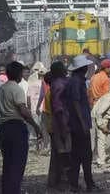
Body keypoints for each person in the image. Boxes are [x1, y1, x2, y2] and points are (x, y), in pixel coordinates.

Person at [0, 61, 43, 194]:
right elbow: (23, 110)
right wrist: (35, 126)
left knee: (8, 164)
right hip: (16, 128)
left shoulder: (2, 89)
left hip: (4, 128)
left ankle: (7, 190)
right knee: (17, 164)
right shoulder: (16, 89)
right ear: (18, 74)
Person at [66, 54, 98, 192]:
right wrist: (83, 123)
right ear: (82, 68)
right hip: (79, 125)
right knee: (85, 155)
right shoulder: (76, 82)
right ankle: (88, 184)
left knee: (78, 155)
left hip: (77, 124)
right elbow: (76, 103)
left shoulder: (76, 81)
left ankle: (75, 183)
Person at [48, 61, 71, 189]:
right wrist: (64, 126)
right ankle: (63, 181)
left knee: (60, 153)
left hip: (61, 122)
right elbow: (58, 108)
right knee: (64, 153)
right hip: (62, 123)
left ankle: (55, 181)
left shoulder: (57, 84)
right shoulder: (59, 85)